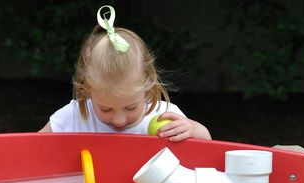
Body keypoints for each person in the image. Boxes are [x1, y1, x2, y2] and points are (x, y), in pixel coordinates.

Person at [40, 5, 211, 141]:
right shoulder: (74, 116)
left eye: (131, 107)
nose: (119, 120)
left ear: (148, 83)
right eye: (105, 109)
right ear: (86, 89)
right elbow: (33, 148)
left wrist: (196, 131)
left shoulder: (164, 116)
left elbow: (205, 153)